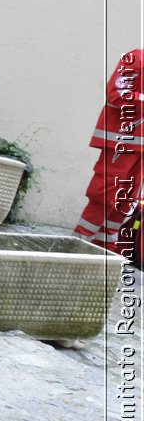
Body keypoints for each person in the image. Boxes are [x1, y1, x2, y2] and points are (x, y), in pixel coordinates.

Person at [74, 49, 141, 268]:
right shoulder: (135, 57)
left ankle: (104, 251)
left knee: (126, 199)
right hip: (122, 141)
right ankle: (78, 244)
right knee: (105, 193)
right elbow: (117, 93)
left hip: (139, 147)